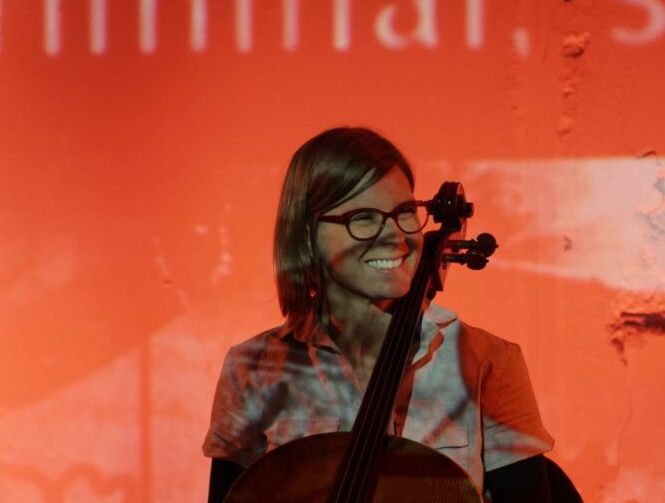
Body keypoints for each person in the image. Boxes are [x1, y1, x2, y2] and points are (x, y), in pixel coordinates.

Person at [203, 127, 557, 502]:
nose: (394, 236)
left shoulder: (486, 363)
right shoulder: (253, 370)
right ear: (307, 234)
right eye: (364, 217)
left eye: (404, 212)